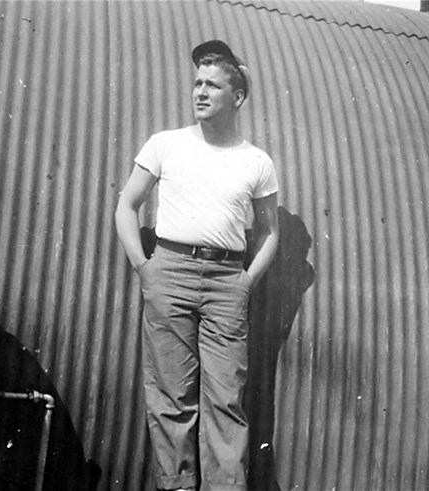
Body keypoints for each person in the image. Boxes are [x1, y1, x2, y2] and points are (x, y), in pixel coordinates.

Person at [115, 40, 279, 491]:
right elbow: (126, 207)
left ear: (237, 97)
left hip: (227, 280)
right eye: (197, 83)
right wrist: (144, 267)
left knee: (226, 399)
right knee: (171, 398)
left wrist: (245, 282)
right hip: (169, 271)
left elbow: (269, 233)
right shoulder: (165, 145)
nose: (200, 92)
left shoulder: (257, 162)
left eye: (213, 84)